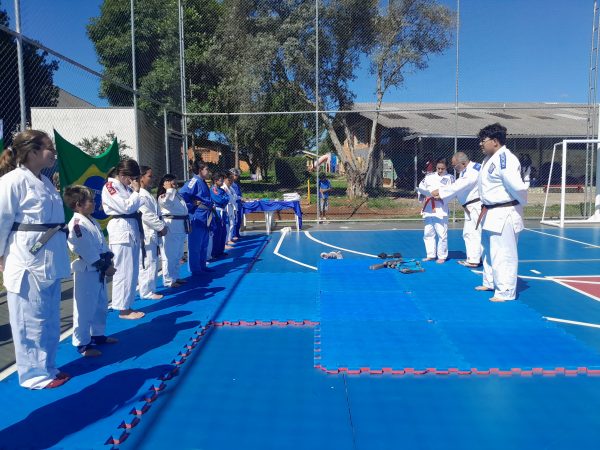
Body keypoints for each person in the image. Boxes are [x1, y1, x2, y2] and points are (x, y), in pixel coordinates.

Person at [0, 130, 71, 389]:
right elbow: (1, 220)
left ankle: (48, 367)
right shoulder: (12, 181)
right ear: (32, 152)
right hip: (26, 260)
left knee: (49, 316)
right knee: (30, 318)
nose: (54, 153)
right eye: (49, 147)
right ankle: (33, 375)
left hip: (50, 258)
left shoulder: (46, 182)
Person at [476, 123, 528, 302]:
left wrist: (517, 204)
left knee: (504, 254)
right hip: (490, 211)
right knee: (489, 250)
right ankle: (490, 281)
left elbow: (518, 188)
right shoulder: (489, 159)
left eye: (483, 140)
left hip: (505, 211)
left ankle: (505, 291)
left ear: (495, 141)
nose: (480, 144)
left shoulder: (506, 159)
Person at [64, 186, 118, 357]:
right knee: (84, 308)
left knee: (100, 304)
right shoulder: (77, 225)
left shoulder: (91, 220)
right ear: (78, 204)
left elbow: (101, 243)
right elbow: (86, 250)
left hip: (98, 269)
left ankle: (98, 335)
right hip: (87, 270)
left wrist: (108, 256)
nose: (94, 203)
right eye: (90, 201)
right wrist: (104, 266)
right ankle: (82, 344)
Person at [102, 159, 147, 319]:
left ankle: (127, 305)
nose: (133, 181)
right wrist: (136, 192)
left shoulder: (125, 187)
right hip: (120, 229)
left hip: (131, 227)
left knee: (132, 270)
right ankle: (122, 309)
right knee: (123, 271)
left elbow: (136, 204)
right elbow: (126, 207)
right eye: (131, 178)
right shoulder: (110, 186)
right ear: (122, 174)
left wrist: (134, 194)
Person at [431, 152, 482, 268]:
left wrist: (440, 191)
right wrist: (442, 196)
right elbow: (458, 189)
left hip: (476, 206)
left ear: (463, 163)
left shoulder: (473, 170)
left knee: (472, 233)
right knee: (470, 233)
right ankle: (474, 258)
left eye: (455, 165)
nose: (454, 168)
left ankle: (474, 260)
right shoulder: (467, 170)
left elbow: (459, 185)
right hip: (472, 206)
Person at [138, 166, 167, 300]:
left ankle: (151, 288)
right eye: (149, 176)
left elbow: (156, 213)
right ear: (141, 178)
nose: (152, 178)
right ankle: (146, 291)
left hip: (153, 232)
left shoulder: (147, 194)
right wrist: (161, 227)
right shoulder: (140, 195)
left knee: (153, 261)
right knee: (148, 262)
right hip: (147, 233)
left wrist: (160, 226)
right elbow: (146, 215)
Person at [417, 158, 454, 263]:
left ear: (446, 167)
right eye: (438, 168)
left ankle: (442, 256)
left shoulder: (450, 178)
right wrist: (423, 194)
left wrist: (441, 196)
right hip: (428, 208)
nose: (440, 170)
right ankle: (430, 254)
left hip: (441, 209)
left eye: (442, 168)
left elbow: (452, 191)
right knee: (428, 233)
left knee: (442, 234)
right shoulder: (429, 176)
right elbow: (421, 187)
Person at [179, 161, 214, 275]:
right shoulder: (193, 181)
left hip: (205, 215)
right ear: (200, 170)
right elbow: (182, 194)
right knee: (195, 244)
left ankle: (202, 265)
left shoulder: (202, 182)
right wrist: (192, 204)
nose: (208, 171)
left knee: (204, 243)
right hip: (197, 215)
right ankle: (195, 269)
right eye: (206, 169)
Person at [158, 174, 189, 288]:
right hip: (171, 227)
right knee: (169, 255)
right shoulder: (163, 196)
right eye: (170, 181)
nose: (174, 183)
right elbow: (167, 203)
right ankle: (168, 280)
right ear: (164, 184)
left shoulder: (177, 195)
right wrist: (169, 190)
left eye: (174, 181)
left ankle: (175, 276)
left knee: (178, 254)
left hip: (180, 226)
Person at [210, 172, 229, 258]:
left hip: (223, 211)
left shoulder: (222, 190)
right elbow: (220, 200)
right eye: (221, 180)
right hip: (217, 212)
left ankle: (221, 251)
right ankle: (215, 252)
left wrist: (224, 199)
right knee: (217, 232)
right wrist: (224, 199)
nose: (222, 182)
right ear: (215, 181)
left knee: (223, 232)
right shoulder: (213, 189)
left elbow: (227, 198)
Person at [222, 172, 238, 247]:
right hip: (226, 207)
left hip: (231, 206)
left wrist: (240, 198)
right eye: (229, 180)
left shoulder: (230, 188)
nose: (231, 182)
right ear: (225, 179)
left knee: (232, 223)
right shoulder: (223, 187)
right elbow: (228, 198)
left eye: (232, 180)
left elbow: (235, 197)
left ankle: (229, 239)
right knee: (227, 225)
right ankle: (225, 242)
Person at [229, 168, 243, 240]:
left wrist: (241, 198)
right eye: (236, 175)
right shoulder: (230, 185)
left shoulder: (235, 184)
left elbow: (238, 194)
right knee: (234, 220)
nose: (237, 177)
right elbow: (233, 196)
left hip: (238, 204)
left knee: (238, 220)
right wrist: (239, 198)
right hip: (234, 204)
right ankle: (233, 235)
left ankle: (237, 233)